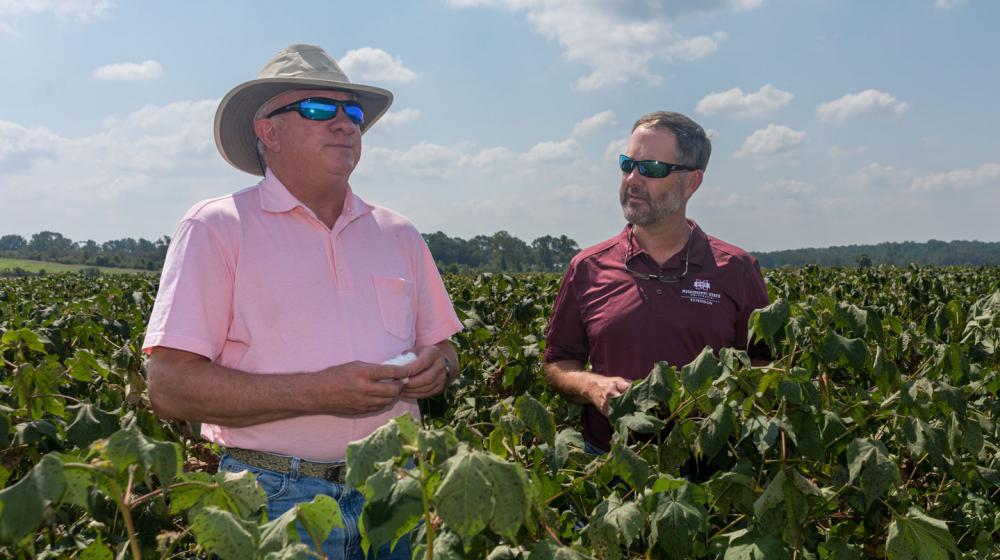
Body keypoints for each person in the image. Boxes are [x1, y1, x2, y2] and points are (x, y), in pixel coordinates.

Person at [143, 44, 462, 559]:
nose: (344, 124)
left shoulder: (399, 233)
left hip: (398, 489)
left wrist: (437, 368)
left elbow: (444, 349)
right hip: (276, 498)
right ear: (268, 131)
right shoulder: (217, 228)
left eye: (352, 113)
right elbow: (170, 386)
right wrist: (318, 393)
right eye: (318, 109)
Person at [543, 111, 770, 455]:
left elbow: (765, 362)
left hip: (709, 467)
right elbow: (558, 362)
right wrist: (592, 385)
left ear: (691, 182)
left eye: (651, 169)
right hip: (606, 463)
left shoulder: (736, 269)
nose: (632, 179)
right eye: (627, 164)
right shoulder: (587, 267)